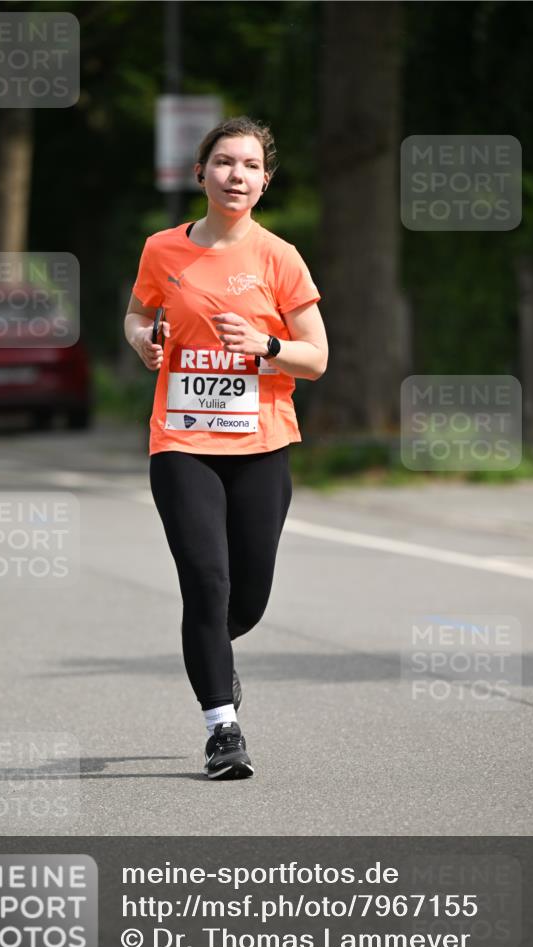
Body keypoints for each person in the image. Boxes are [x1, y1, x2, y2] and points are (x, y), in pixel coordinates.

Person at [124, 116, 328, 780]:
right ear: (200, 174)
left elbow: (316, 358)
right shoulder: (162, 249)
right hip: (181, 442)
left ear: (264, 182)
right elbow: (136, 312)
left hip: (261, 444)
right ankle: (222, 729)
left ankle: (215, 656)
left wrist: (267, 346)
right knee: (206, 585)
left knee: (246, 600)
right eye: (222, 162)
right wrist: (142, 340)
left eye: (248, 166)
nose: (235, 175)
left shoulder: (279, 257)